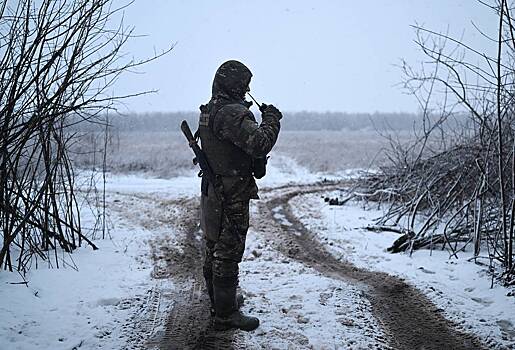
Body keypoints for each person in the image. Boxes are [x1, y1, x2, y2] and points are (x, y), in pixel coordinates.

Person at [198, 60, 282, 331]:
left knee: (215, 246)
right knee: (228, 250)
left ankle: (220, 303)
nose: (246, 90)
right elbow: (259, 144)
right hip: (230, 192)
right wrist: (272, 120)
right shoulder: (232, 113)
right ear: (234, 84)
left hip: (215, 189)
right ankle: (225, 315)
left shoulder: (212, 109)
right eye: (243, 84)